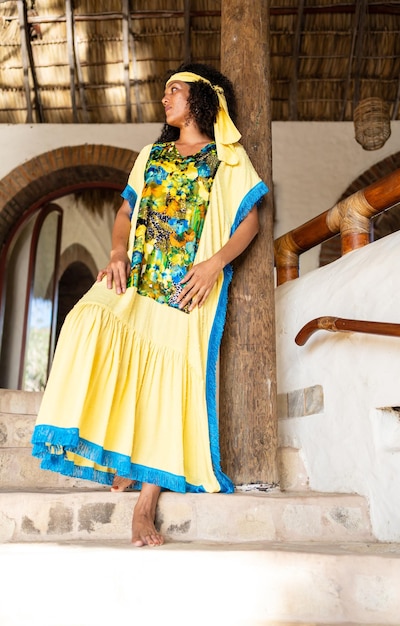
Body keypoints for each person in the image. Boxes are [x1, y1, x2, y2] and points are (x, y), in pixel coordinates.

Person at [31, 62, 268, 547]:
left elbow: (251, 222)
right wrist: (117, 253)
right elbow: (125, 212)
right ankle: (117, 457)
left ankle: (144, 506)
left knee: (167, 388)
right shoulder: (151, 155)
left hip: (185, 289)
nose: (165, 99)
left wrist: (214, 266)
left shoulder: (228, 159)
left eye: (174, 91)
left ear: (201, 99)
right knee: (84, 321)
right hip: (136, 278)